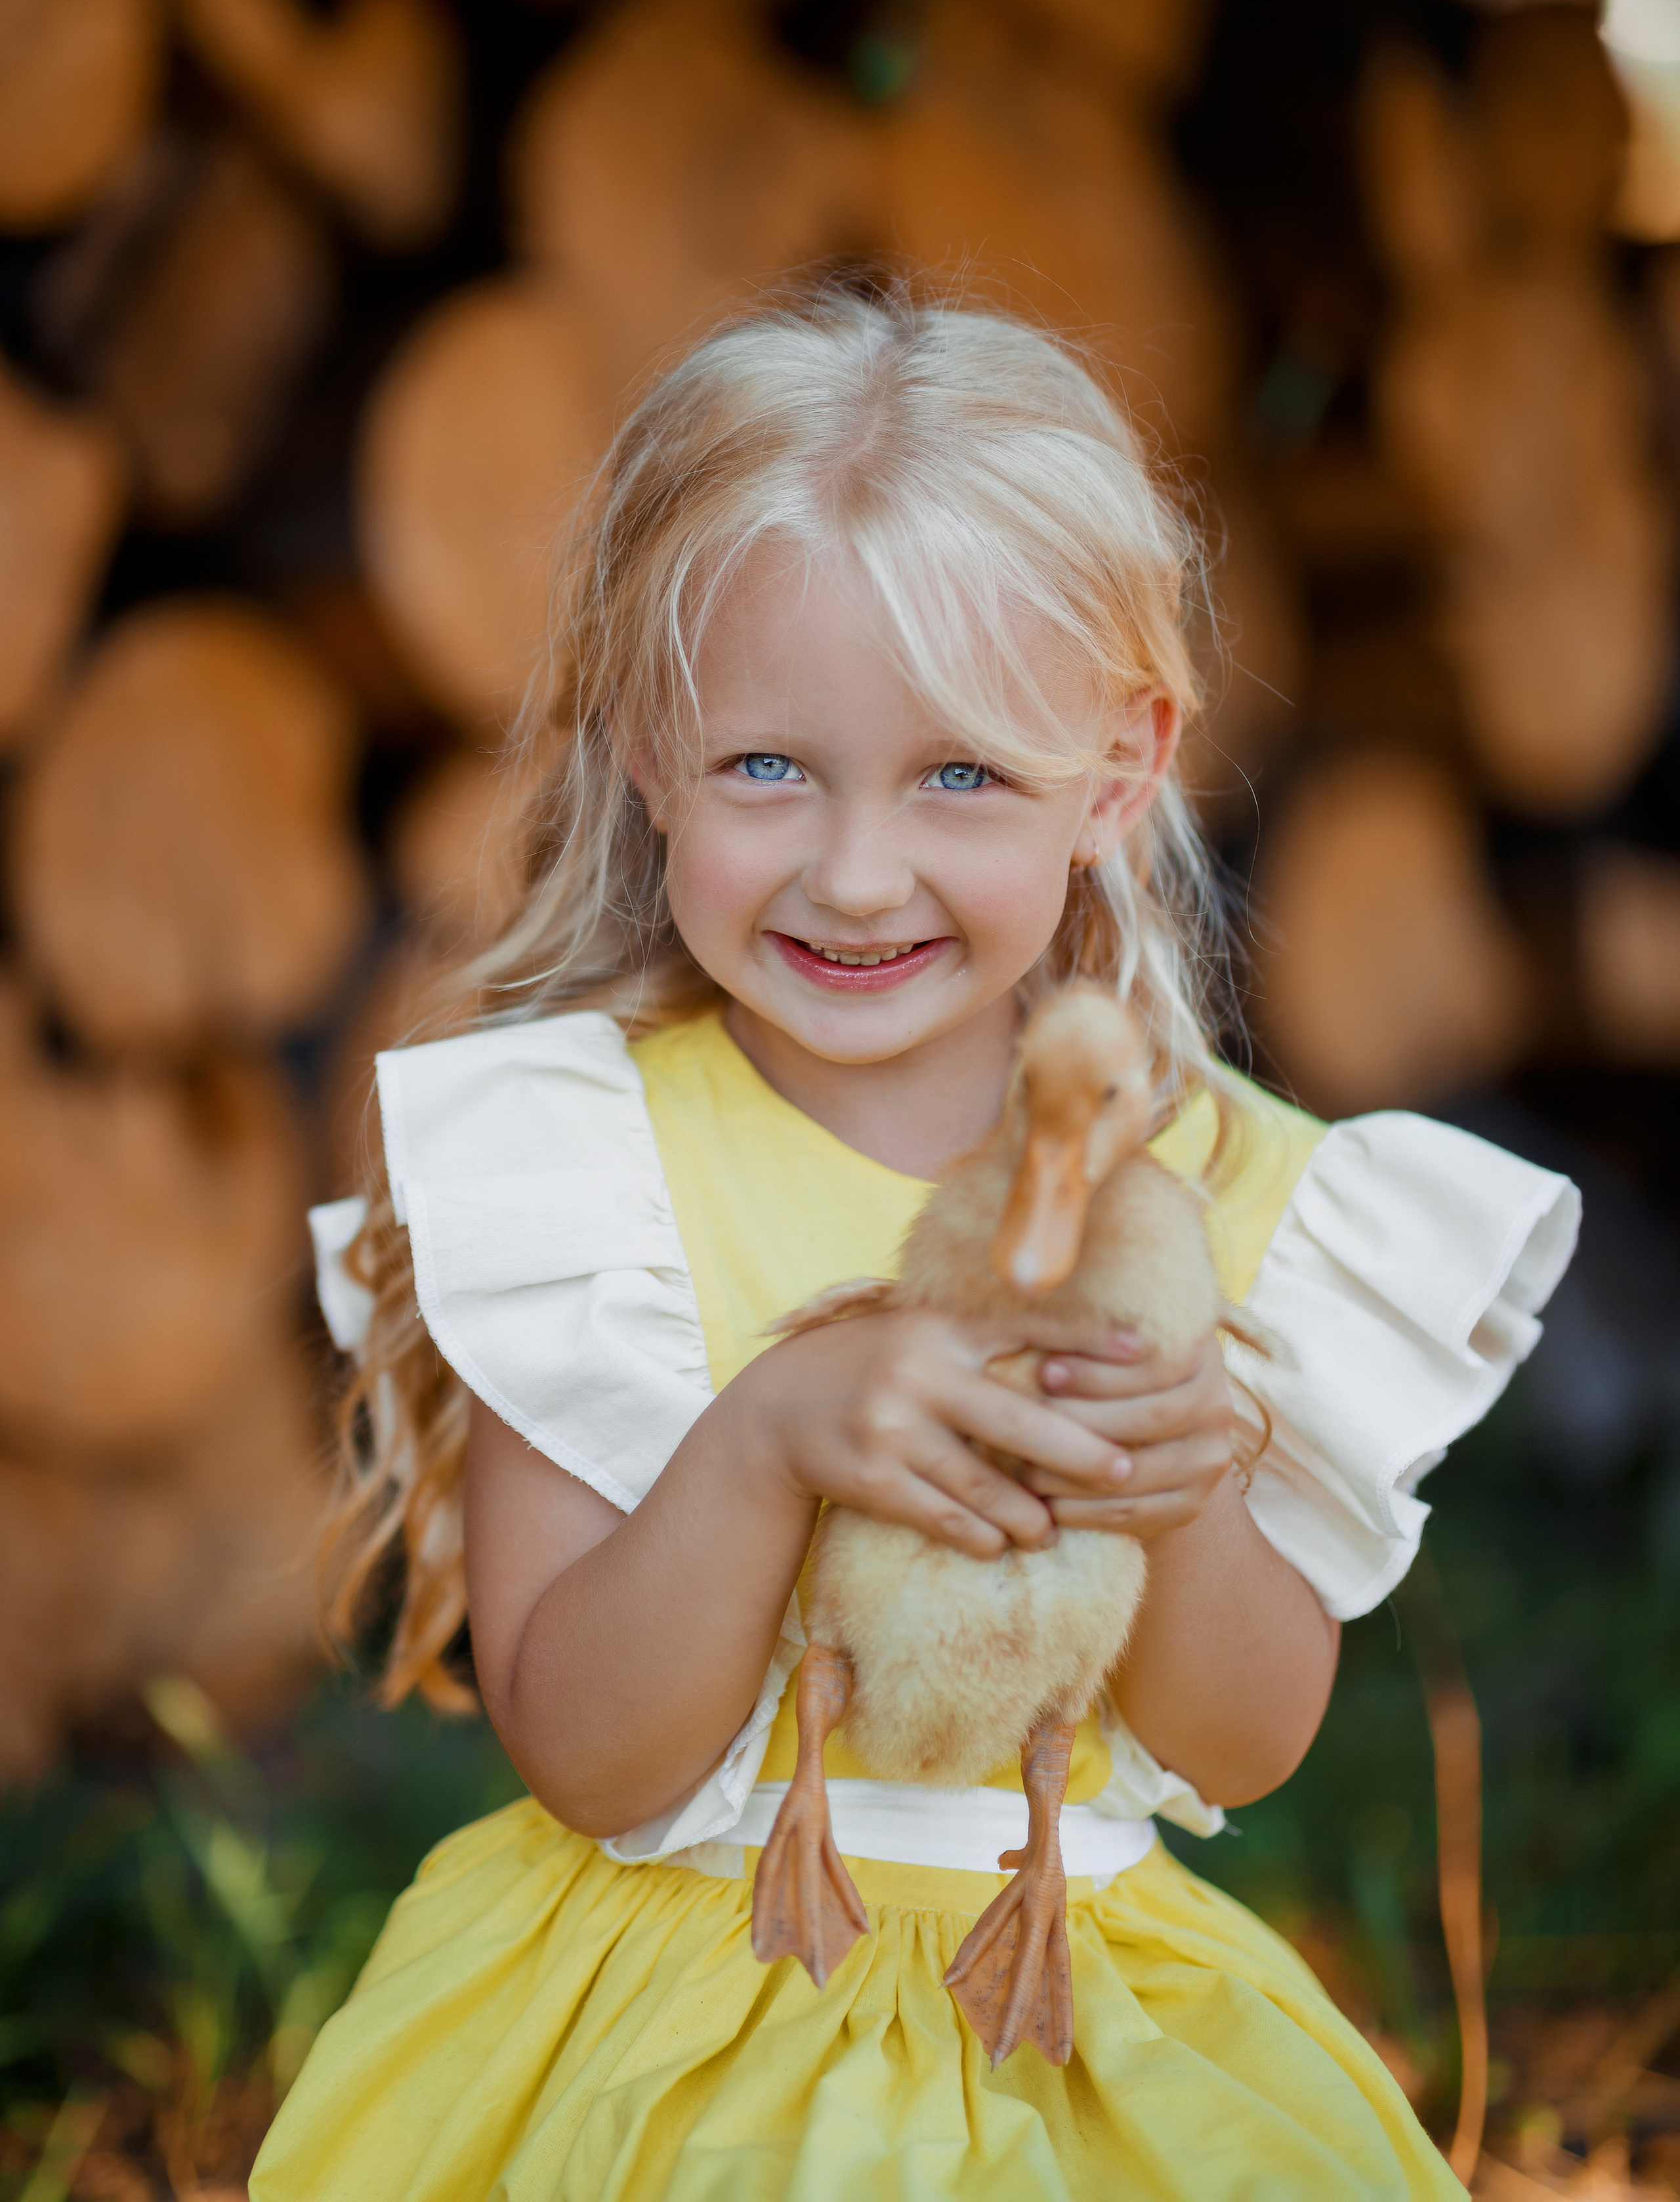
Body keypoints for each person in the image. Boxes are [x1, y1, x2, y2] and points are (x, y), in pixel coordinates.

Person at [255, 288, 1579, 2201]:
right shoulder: (591, 1179)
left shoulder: (1204, 1191)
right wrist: (774, 1433)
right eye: (767, 769)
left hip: (1066, 2010)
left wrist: (1184, 1477)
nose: (856, 873)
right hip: (679, 2016)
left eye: (960, 775)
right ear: (645, 744)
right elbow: (596, 1756)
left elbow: (1247, 1738)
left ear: (1119, 770)